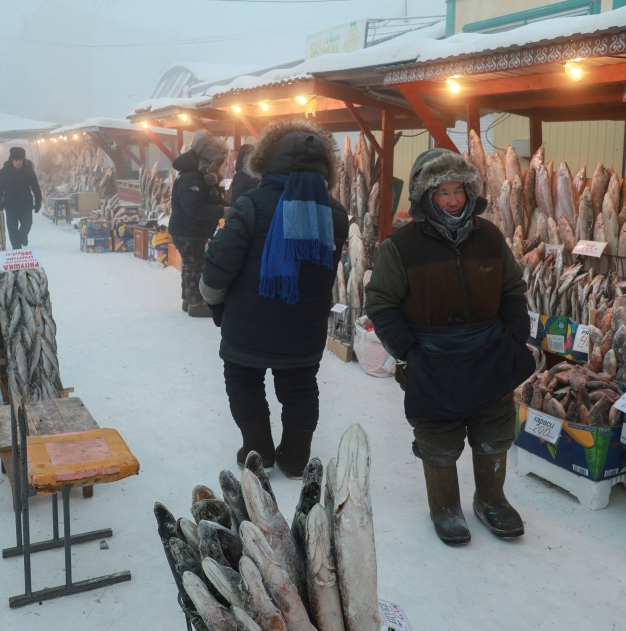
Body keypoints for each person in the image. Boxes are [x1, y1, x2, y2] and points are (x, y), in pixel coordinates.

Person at [365, 148, 535, 546]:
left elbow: (512, 289)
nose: (454, 200)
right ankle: (444, 506)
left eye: (459, 189)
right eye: (443, 192)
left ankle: (491, 500)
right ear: (426, 195)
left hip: (490, 353)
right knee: (438, 439)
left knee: (494, 431)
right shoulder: (401, 246)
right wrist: (409, 350)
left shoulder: (489, 236)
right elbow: (381, 303)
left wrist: (514, 335)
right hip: (433, 358)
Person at [200, 120, 348, 478]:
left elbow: (220, 263)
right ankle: (295, 457)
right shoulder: (334, 213)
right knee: (299, 387)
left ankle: (258, 450)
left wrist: (215, 302)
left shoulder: (251, 204)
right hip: (305, 326)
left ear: (266, 160)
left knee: (243, 380)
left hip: (247, 323)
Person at [170, 130, 230, 317]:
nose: (218, 167)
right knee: (194, 266)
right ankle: (196, 303)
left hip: (191, 230)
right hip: (187, 231)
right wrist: (223, 211)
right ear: (207, 159)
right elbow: (194, 208)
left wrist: (225, 204)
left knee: (191, 265)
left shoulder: (201, 174)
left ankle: (188, 300)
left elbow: (209, 199)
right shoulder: (191, 177)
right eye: (217, 163)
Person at [0, 147, 41, 249]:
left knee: (27, 224)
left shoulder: (28, 171)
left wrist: (38, 201)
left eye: (20, 160)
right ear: (12, 160)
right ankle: (16, 248)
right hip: (10, 205)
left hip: (26, 204)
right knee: (12, 228)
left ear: (23, 160)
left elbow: (35, 187)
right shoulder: (4, 171)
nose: (18, 163)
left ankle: (22, 236)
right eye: (16, 160)